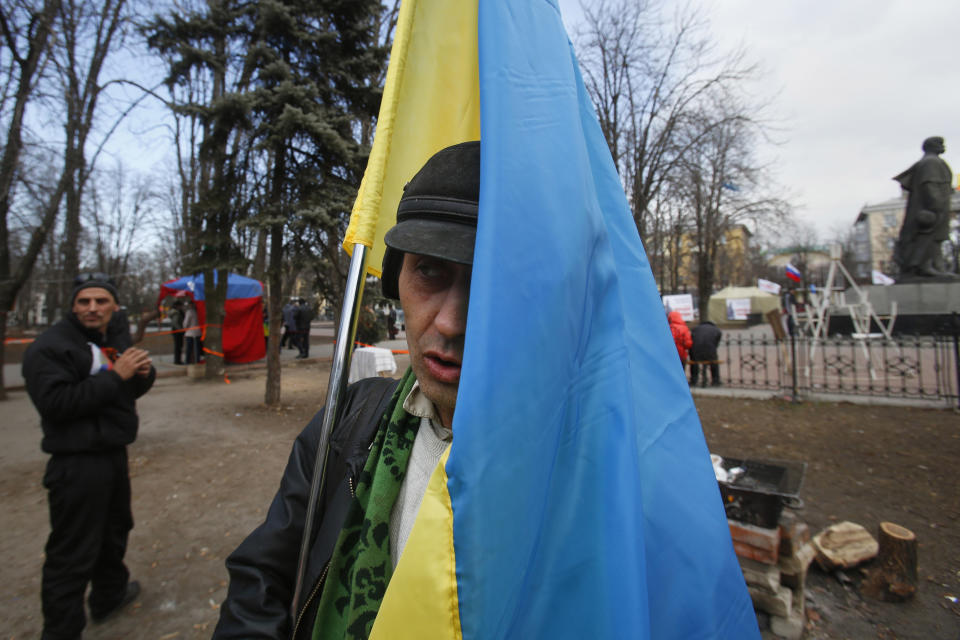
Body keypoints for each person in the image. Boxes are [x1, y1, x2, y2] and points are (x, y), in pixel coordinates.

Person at [213, 141, 476, 639]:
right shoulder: (348, 420)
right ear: (396, 277)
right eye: (430, 271)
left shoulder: (574, 483)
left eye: (488, 283)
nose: (450, 321)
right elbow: (263, 577)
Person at [22, 273, 156, 640]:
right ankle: (61, 631)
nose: (93, 308)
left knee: (115, 531)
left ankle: (109, 595)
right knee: (72, 554)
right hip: (75, 463)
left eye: (101, 301)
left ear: (114, 306)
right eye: (84, 301)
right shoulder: (50, 347)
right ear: (73, 305)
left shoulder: (110, 338)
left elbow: (125, 390)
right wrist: (117, 375)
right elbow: (57, 404)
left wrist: (142, 374)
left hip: (112, 454)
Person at [892, 136, 956, 279]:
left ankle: (937, 266)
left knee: (936, 238)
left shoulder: (931, 161)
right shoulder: (930, 162)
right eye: (940, 144)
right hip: (931, 208)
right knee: (927, 236)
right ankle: (925, 266)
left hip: (934, 207)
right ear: (931, 146)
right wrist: (936, 204)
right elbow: (929, 184)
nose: (943, 146)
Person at [689, 320, 723, 387]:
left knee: (694, 361)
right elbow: (716, 343)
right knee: (714, 362)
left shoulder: (695, 328)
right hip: (710, 351)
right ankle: (715, 380)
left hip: (696, 352)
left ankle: (694, 380)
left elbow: (692, 339)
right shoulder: (716, 330)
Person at [183, 299, 202, 364]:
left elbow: (186, 323)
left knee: (189, 348)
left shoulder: (189, 312)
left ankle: (187, 361)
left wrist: (185, 328)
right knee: (197, 348)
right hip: (198, 332)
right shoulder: (199, 312)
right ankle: (197, 360)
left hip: (190, 333)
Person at [168, 299, 185, 364]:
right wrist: (180, 330)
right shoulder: (176, 313)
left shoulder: (175, 312)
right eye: (181, 306)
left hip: (176, 331)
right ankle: (177, 360)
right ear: (178, 306)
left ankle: (177, 360)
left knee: (178, 346)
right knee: (178, 346)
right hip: (177, 332)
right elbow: (175, 323)